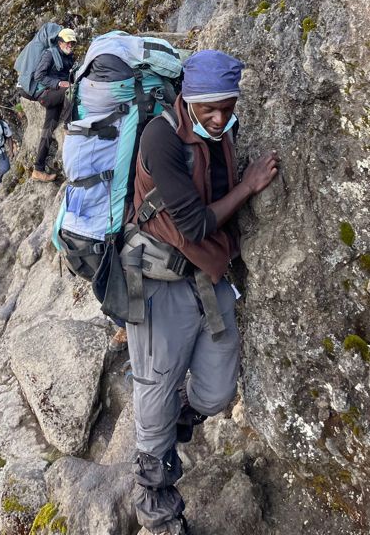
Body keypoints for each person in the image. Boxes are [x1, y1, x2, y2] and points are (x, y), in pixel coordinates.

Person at [125, 50, 279, 535]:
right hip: (159, 283)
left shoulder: (223, 131)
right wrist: (251, 186)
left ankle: (172, 429)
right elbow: (192, 224)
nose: (218, 117)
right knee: (155, 390)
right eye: (208, 108)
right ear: (187, 98)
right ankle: (157, 503)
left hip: (207, 277)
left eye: (227, 107)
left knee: (215, 393)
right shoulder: (160, 137)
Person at [31, 28, 77, 182]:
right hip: (46, 94)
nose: (70, 45)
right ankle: (67, 126)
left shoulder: (69, 57)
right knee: (70, 91)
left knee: (48, 131)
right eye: (68, 42)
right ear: (60, 42)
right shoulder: (50, 54)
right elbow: (39, 75)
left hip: (56, 95)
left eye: (72, 42)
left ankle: (38, 169)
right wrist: (59, 83)